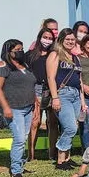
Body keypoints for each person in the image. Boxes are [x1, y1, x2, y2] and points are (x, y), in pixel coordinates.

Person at [0, 39, 37, 177]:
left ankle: (21, 166)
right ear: (8, 51)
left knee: (24, 137)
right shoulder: (2, 66)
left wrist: (35, 103)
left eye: (21, 49)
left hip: (28, 107)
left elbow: (31, 85)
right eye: (17, 49)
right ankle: (16, 170)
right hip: (14, 108)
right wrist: (5, 107)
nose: (20, 52)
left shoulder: (25, 65)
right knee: (19, 139)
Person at [46, 28, 86, 170]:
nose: (70, 42)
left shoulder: (75, 58)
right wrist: (55, 98)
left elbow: (80, 81)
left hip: (75, 94)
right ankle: (60, 160)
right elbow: (51, 77)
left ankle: (67, 158)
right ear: (61, 40)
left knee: (69, 127)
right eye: (67, 39)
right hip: (63, 94)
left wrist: (82, 101)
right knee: (70, 128)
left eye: (72, 39)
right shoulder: (55, 55)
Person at [25, 28, 58, 161]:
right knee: (35, 122)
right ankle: (31, 155)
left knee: (53, 122)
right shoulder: (30, 55)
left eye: (50, 38)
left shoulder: (54, 54)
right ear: (39, 38)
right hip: (36, 89)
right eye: (45, 37)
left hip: (51, 89)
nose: (47, 40)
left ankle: (52, 154)